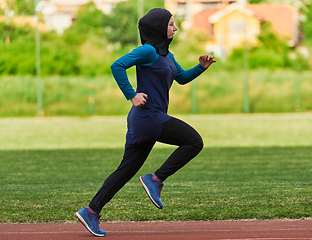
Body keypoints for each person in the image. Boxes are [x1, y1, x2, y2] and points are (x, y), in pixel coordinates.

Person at [75, 8, 216, 237]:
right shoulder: (148, 51)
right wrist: (131, 94)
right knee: (194, 141)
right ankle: (156, 179)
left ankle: (91, 211)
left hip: (147, 120)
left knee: (125, 171)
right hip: (149, 116)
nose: (175, 27)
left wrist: (201, 67)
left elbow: (181, 78)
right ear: (159, 27)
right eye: (171, 24)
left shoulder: (167, 55)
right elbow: (117, 65)